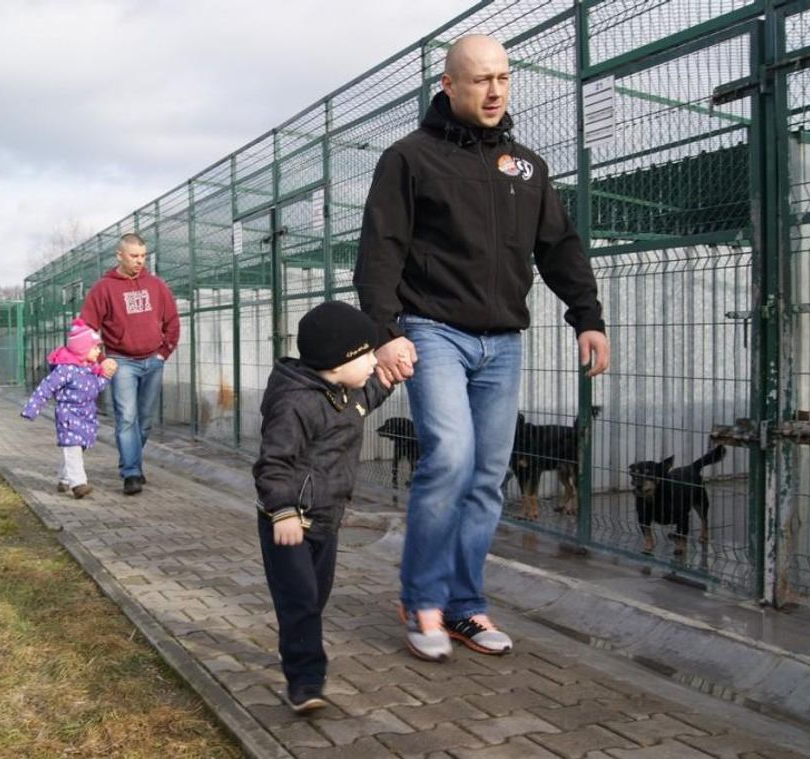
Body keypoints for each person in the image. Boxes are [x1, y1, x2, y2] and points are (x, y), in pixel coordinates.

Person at [353, 34, 611, 663]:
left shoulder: (525, 167)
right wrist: (385, 333)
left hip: (503, 340)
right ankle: (421, 601)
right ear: (448, 85)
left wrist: (589, 316)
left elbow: (559, 246)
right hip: (432, 329)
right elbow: (380, 250)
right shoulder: (410, 159)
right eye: (479, 80)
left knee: (489, 477)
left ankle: (465, 606)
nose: (494, 90)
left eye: (503, 77)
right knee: (450, 457)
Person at [253, 301, 395, 714]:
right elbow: (273, 462)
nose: (373, 360)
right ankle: (306, 680)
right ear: (338, 361)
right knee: (298, 600)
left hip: (326, 520)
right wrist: (281, 511)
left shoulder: (345, 392)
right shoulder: (295, 404)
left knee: (315, 598)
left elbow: (370, 391)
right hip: (288, 522)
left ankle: (297, 650)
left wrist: (395, 368)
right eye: (367, 354)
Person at [80, 233, 180, 495]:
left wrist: (163, 353)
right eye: (134, 256)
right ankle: (131, 473)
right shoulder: (103, 288)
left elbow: (172, 322)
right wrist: (103, 359)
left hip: (153, 360)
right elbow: (86, 327)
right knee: (126, 418)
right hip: (121, 362)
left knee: (144, 421)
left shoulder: (156, 285)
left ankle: (132, 460)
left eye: (143, 256)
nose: (139, 261)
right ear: (120, 255)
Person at [21, 319, 118, 499]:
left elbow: (96, 387)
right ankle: (78, 484)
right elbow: (46, 387)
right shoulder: (65, 370)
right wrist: (32, 407)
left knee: (77, 447)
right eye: (95, 347)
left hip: (86, 415)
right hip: (68, 415)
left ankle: (64, 479)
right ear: (82, 348)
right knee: (72, 447)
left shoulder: (90, 369)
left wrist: (105, 375)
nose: (99, 351)